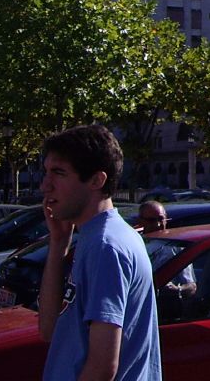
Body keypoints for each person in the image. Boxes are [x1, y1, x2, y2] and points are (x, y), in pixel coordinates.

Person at [39, 124, 162, 381]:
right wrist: (58, 244)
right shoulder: (97, 237)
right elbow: (51, 330)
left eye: (59, 173)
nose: (45, 186)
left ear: (97, 180)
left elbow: (103, 366)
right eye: (46, 172)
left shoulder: (106, 246)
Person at [137, 200, 195, 298]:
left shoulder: (176, 247)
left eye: (161, 219)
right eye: (151, 220)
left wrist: (178, 290)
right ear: (140, 221)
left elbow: (191, 287)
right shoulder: (134, 244)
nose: (158, 224)